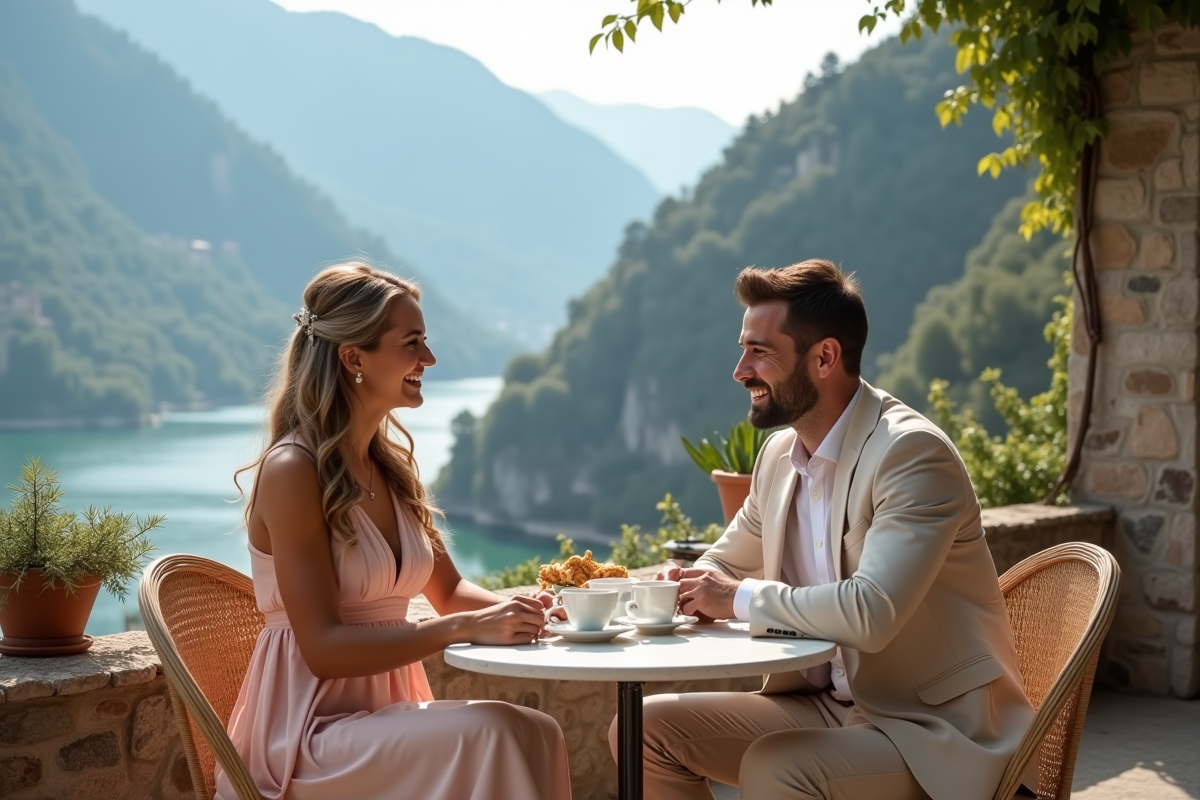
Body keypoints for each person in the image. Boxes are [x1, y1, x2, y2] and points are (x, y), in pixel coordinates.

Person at [614, 259, 1036, 800]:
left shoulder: (910, 455)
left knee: (778, 767)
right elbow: (723, 564)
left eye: (760, 352)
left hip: (933, 730)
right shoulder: (778, 456)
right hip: (822, 706)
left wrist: (737, 597)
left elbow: (871, 611)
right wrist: (687, 585)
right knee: (642, 731)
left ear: (825, 357)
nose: (741, 370)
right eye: (743, 349)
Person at [218, 262, 572, 800]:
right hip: (307, 742)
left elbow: (450, 592)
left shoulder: (390, 470)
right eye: (412, 343)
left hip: (381, 719)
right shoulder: (293, 469)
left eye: (424, 341)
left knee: (539, 732)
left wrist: (523, 607)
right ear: (354, 357)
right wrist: (460, 630)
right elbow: (323, 649)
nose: (428, 358)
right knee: (496, 732)